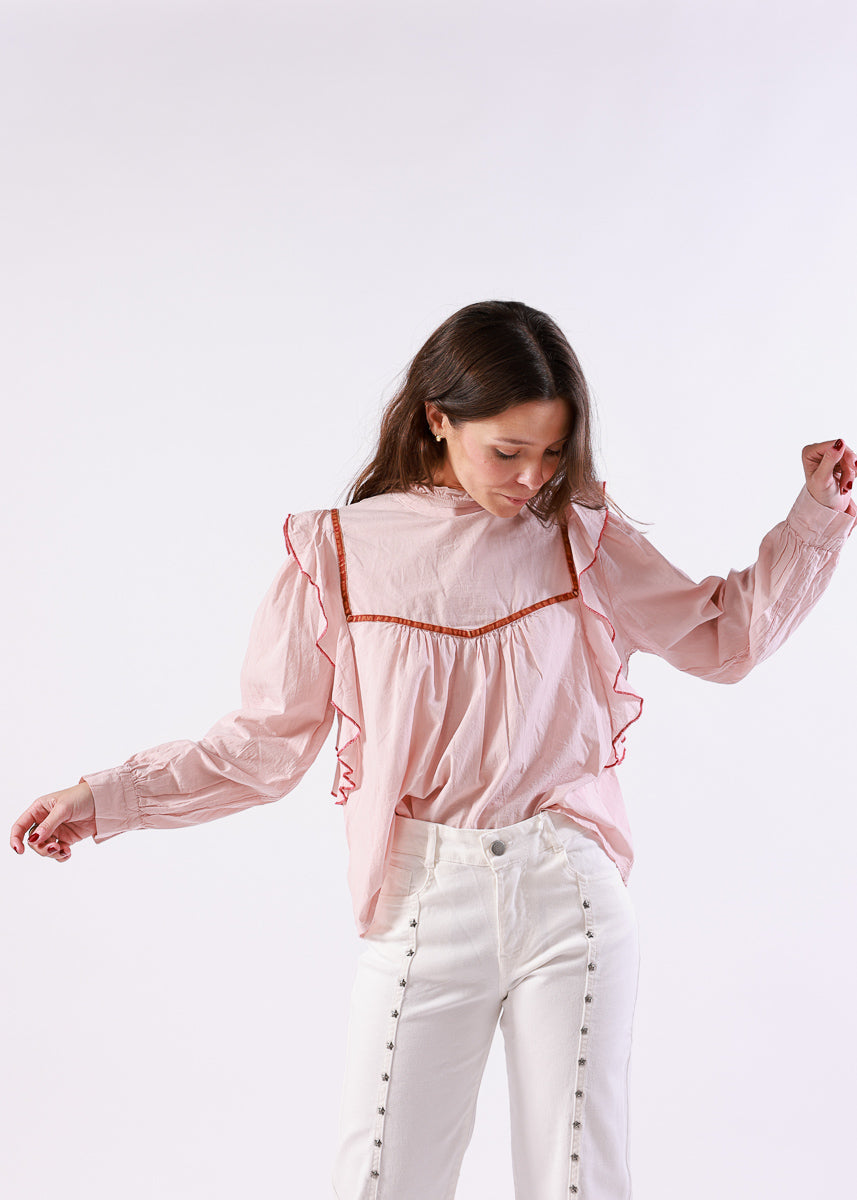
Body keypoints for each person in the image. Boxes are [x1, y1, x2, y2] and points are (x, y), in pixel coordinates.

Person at [10, 300, 856, 1200]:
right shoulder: (336, 555)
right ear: (437, 419)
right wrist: (105, 798)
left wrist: (818, 514)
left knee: (577, 1182)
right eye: (508, 451)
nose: (531, 478)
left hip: (567, 890)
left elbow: (723, 639)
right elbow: (262, 745)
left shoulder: (578, 535)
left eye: (552, 453)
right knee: (382, 1179)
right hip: (422, 900)